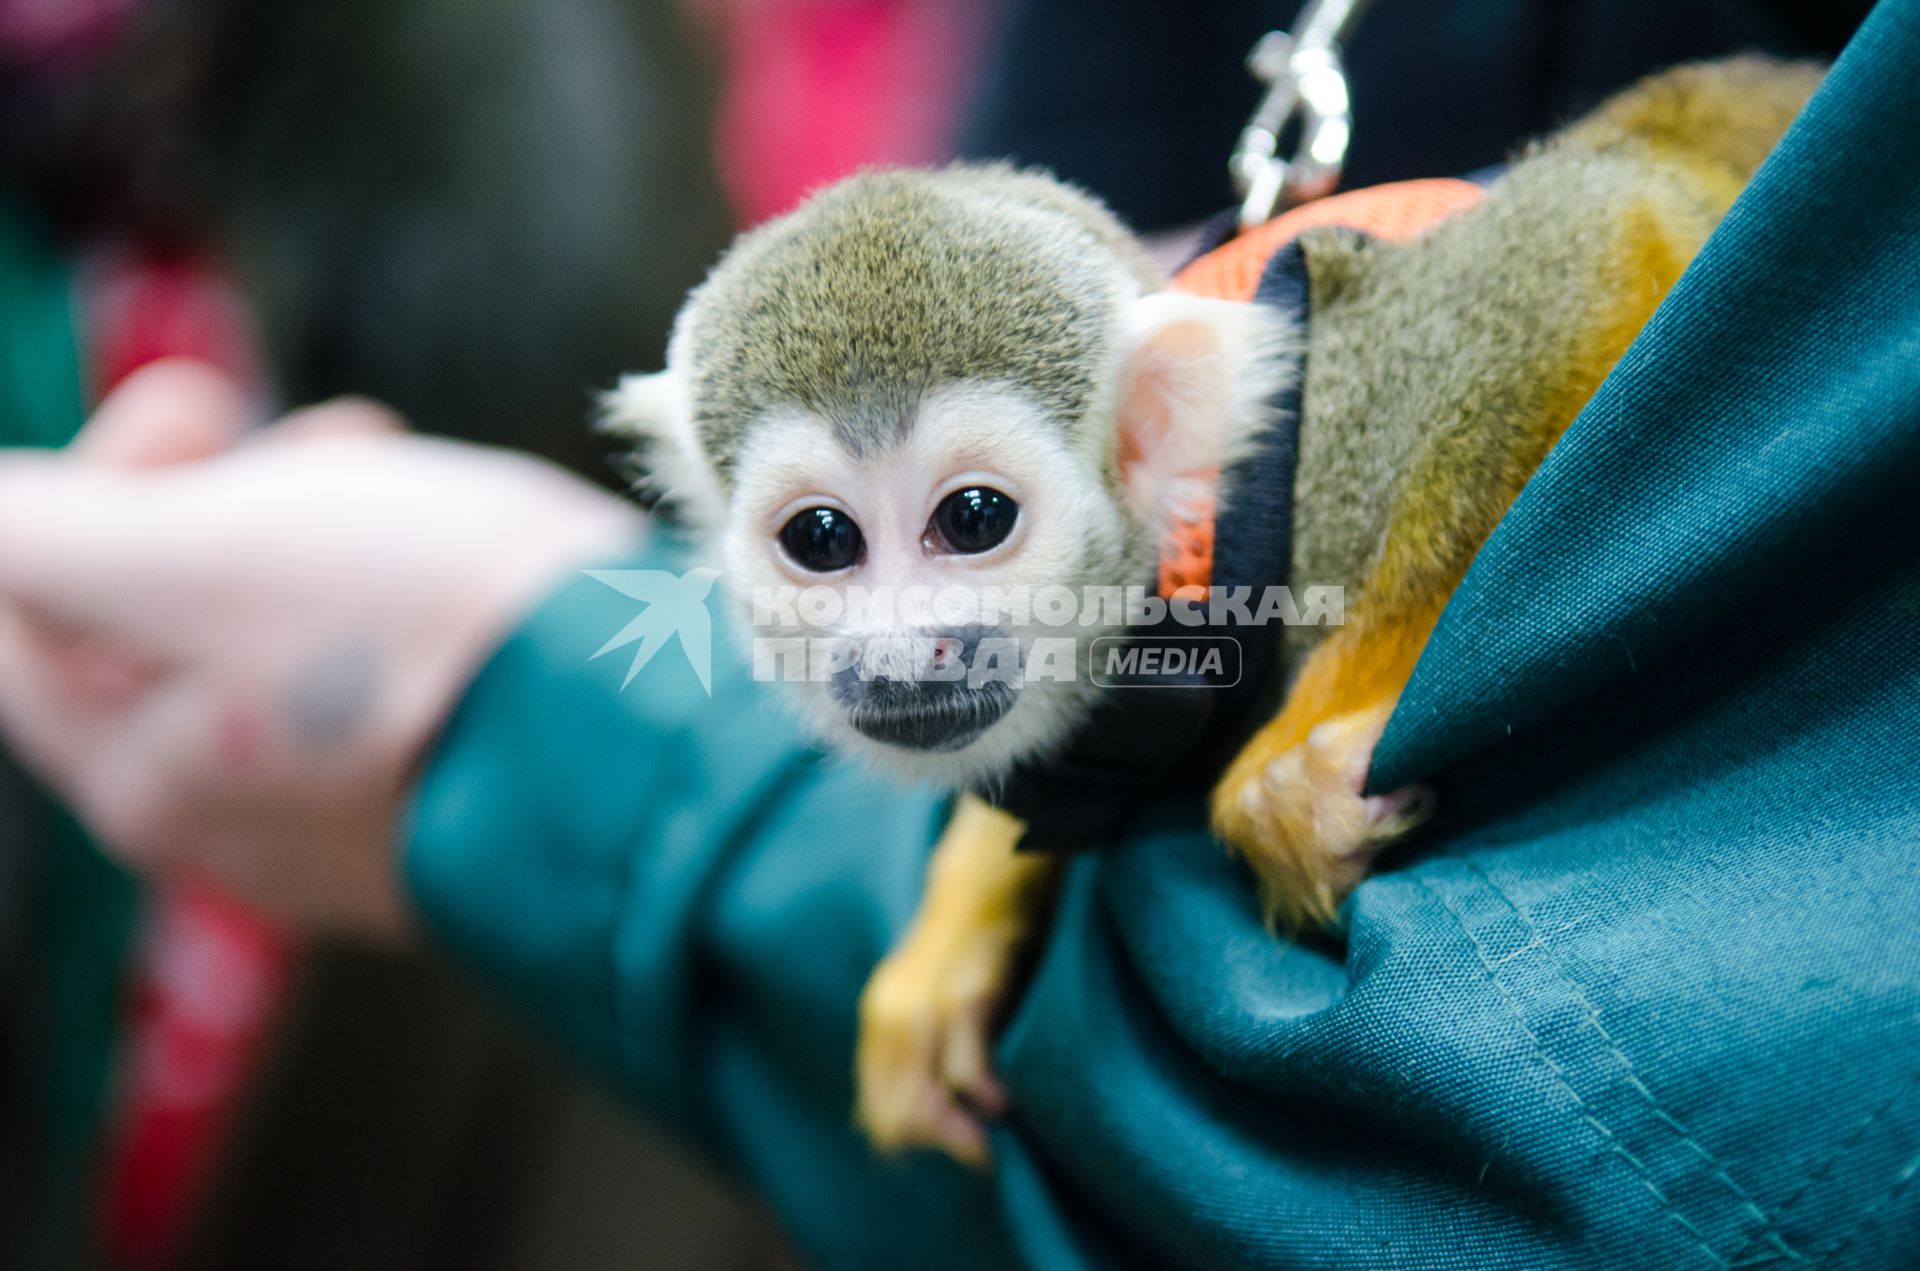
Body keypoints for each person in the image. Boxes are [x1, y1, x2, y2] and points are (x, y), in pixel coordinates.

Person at [2, 4, 1918, 1267]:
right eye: (820, 544)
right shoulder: (1117, 522)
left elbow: (1590, 269)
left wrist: (1344, 711)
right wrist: (957, 907)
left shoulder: (1260, 437)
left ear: (1157, 425)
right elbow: (1099, 671)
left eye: (969, 519)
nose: (898, 632)